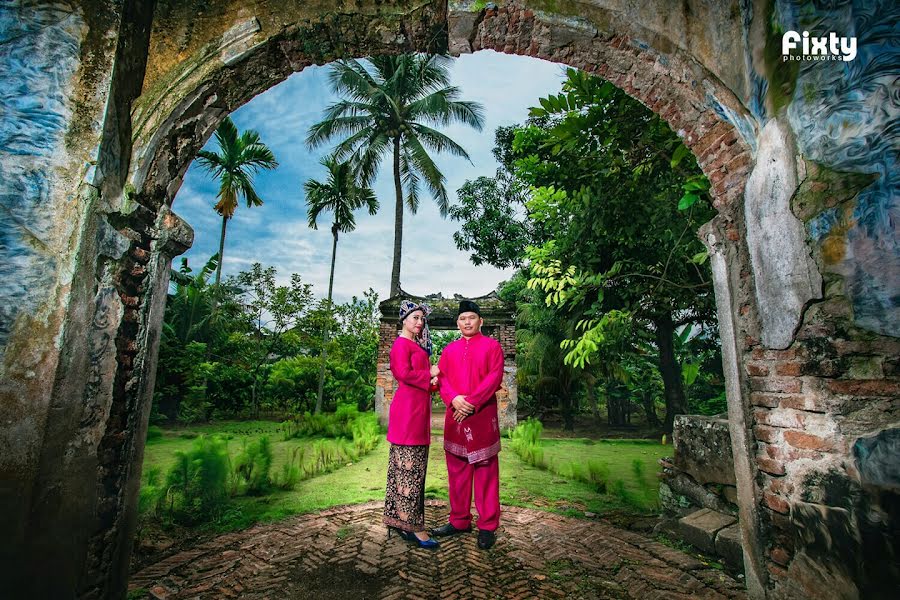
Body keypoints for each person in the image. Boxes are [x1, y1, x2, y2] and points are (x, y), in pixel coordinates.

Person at [431, 300, 505, 550]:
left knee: (485, 475)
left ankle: (487, 527)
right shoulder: (449, 350)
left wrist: (470, 403)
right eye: (463, 319)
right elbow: (442, 378)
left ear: (480, 321)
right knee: (458, 473)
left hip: (481, 416)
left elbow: (494, 378)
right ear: (457, 323)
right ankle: (460, 521)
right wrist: (453, 399)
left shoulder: (493, 347)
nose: (467, 322)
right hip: (456, 418)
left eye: (472, 317)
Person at [383, 300, 440, 549]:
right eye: (414, 317)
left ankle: (398, 520)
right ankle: (414, 528)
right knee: (410, 470)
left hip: (418, 410)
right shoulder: (400, 344)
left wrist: (434, 382)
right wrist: (430, 372)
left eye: (421, 318)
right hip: (407, 414)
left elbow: (421, 381)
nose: (419, 322)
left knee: (407, 469)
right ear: (403, 320)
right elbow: (402, 374)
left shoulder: (416, 346)